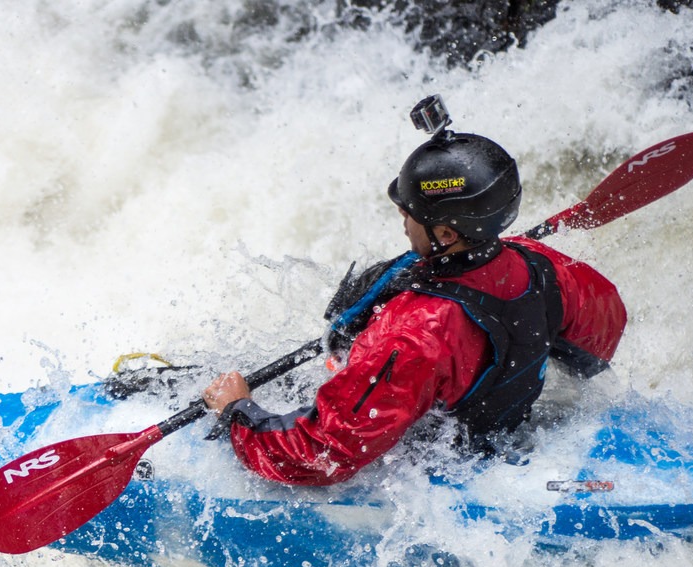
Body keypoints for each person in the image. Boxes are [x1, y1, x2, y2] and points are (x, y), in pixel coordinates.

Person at [200, 125, 627, 486]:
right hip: (504, 433)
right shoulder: (542, 263)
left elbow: (321, 453)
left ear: (446, 234)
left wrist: (239, 412)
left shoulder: (414, 333)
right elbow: (601, 336)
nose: (403, 222)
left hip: (439, 469)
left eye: (409, 214)